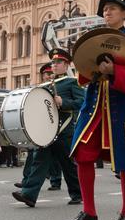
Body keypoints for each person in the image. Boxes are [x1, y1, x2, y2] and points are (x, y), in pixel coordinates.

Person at [65, 0, 125, 220]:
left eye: (112, 8)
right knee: (82, 154)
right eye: (105, 10)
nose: (107, 13)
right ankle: (89, 212)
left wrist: (114, 70)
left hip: (122, 109)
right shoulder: (95, 39)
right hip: (94, 107)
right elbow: (84, 73)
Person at [12, 49, 83, 207]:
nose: (55, 65)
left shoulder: (72, 82)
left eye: (58, 62)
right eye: (53, 62)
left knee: (68, 165)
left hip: (64, 130)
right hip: (47, 131)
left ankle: (78, 194)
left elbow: (82, 103)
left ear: (66, 65)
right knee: (39, 161)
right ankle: (29, 195)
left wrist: (64, 102)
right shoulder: (47, 85)